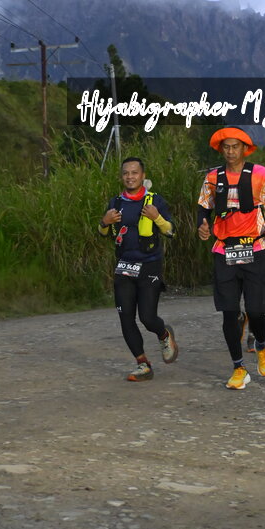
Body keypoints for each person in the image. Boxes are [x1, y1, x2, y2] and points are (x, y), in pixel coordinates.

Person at [197, 127, 265, 389]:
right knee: (229, 313)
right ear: (221, 150)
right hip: (224, 250)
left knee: (256, 311)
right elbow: (203, 207)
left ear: (246, 149)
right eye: (226, 147)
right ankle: (238, 368)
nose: (231, 151)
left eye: (235, 147)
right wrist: (202, 225)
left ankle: (261, 344)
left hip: (255, 248)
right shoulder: (213, 177)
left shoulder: (260, 174)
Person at [99, 157, 178, 381]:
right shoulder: (115, 203)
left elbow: (171, 231)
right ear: (121, 176)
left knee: (147, 317)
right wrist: (104, 222)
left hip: (149, 265)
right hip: (124, 267)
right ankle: (143, 364)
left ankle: (164, 334)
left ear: (143, 176)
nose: (130, 177)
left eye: (134, 173)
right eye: (126, 173)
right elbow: (103, 233)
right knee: (126, 318)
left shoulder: (155, 201)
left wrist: (157, 218)